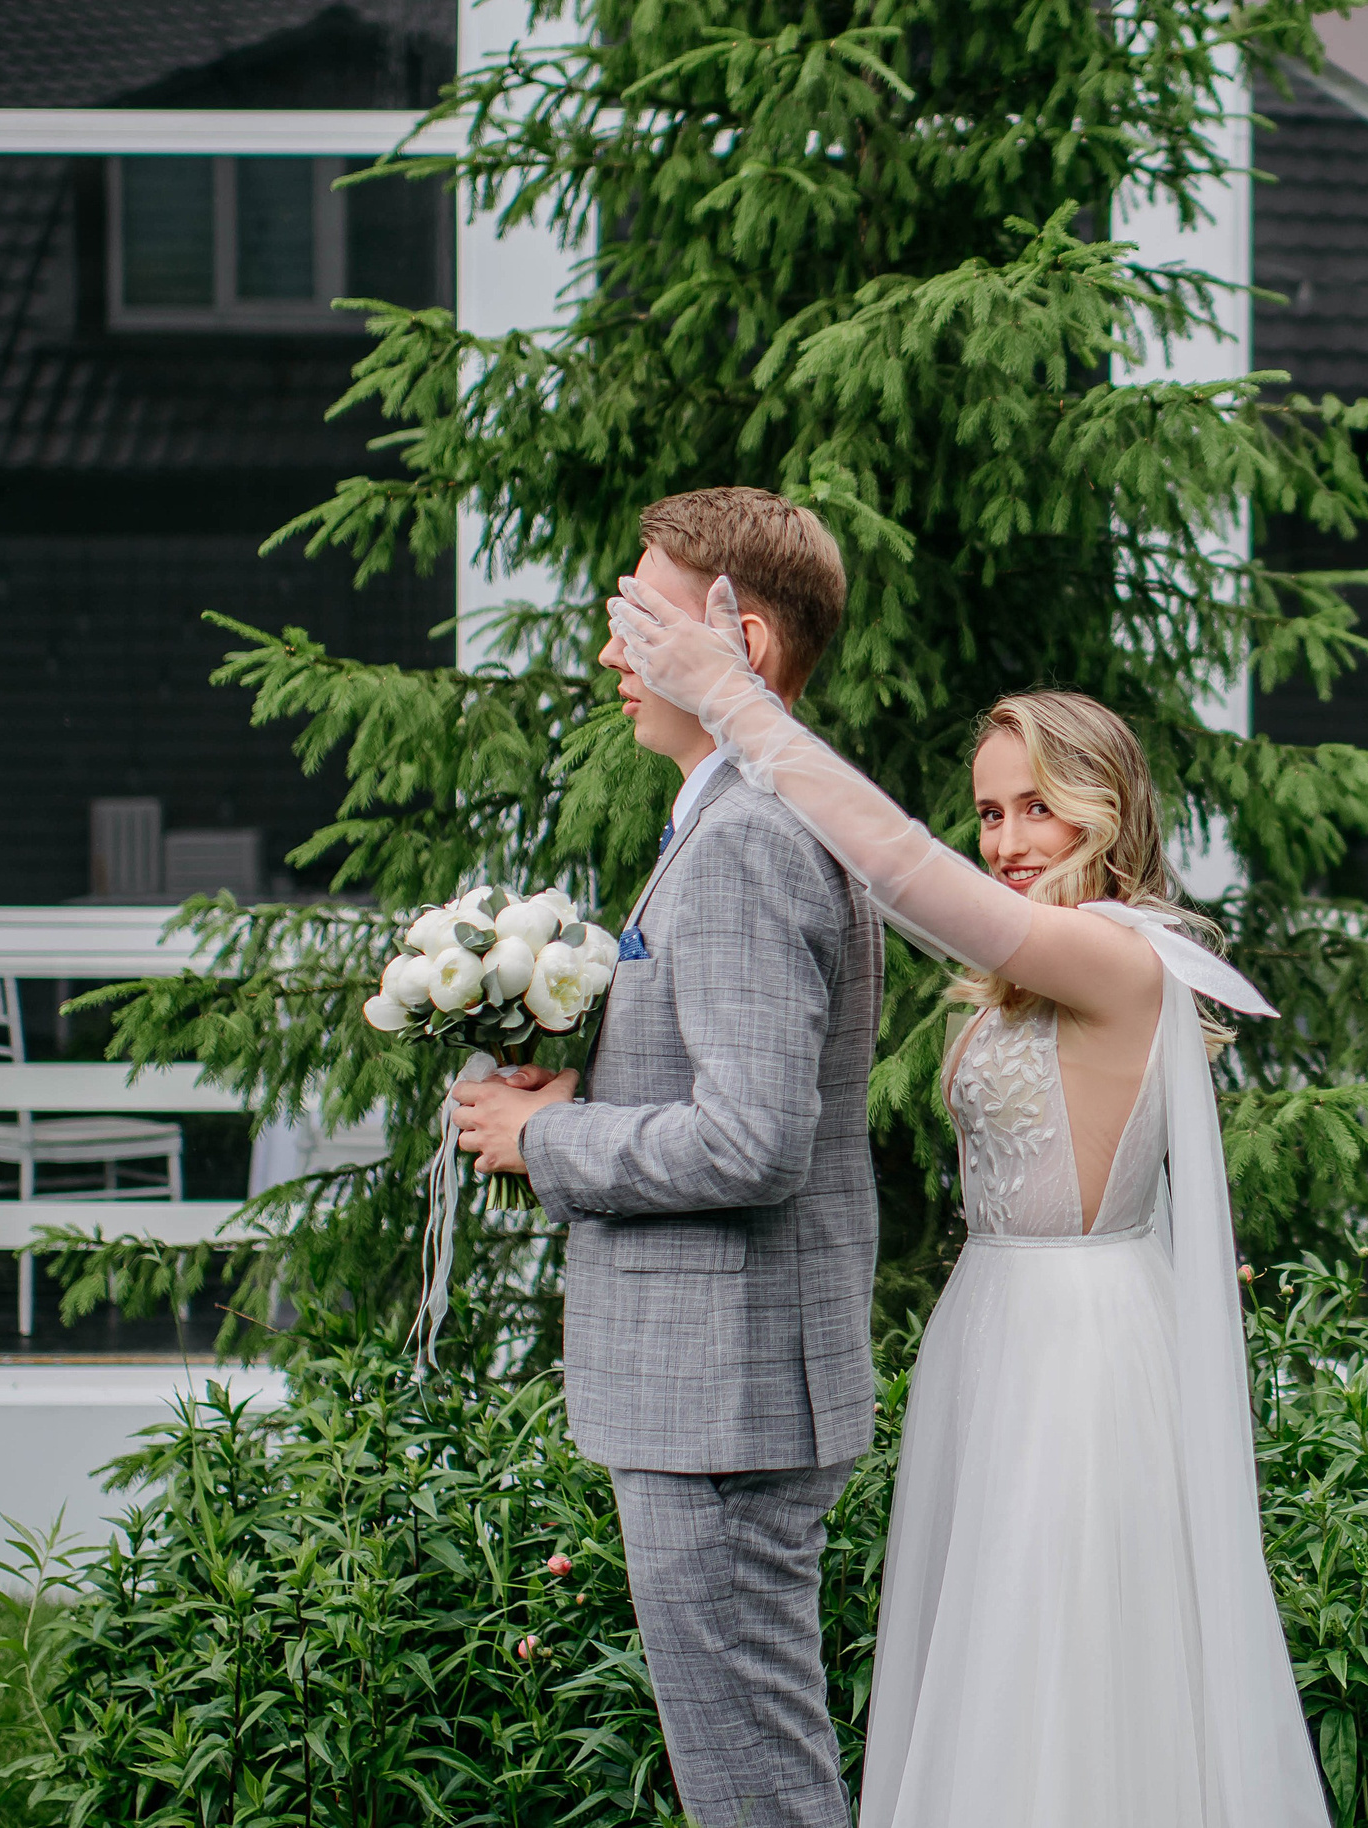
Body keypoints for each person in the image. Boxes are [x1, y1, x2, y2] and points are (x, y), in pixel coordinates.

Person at [612, 578, 1333, 1828]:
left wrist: (733, 701)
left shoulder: (1119, 956)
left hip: (1079, 1351)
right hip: (991, 1331)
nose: (1007, 839)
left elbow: (900, 866)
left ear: (1107, 809)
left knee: (1059, 1664)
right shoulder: (1031, 969)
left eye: (1039, 807)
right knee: (983, 1659)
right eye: (991, 811)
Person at [449, 488, 884, 1828]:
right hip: (724, 1394)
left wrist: (547, 1137)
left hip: (727, 1404)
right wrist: (590, 1086)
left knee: (755, 1790)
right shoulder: (746, 814)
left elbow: (755, 1139)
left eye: (638, 619)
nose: (609, 651)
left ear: (738, 643)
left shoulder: (749, 835)